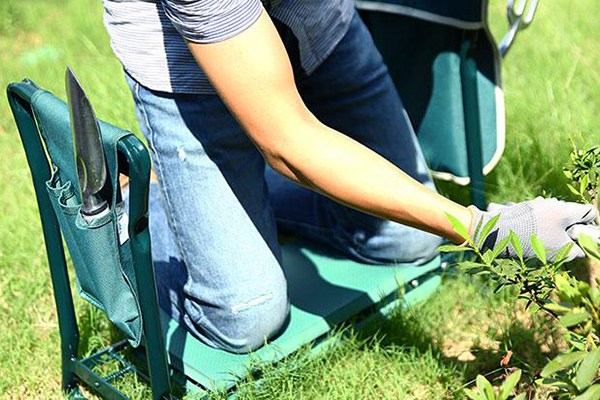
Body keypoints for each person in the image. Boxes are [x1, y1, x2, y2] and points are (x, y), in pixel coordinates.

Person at [101, 0, 597, 353]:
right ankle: (130, 202)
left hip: (314, 18)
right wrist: (481, 228)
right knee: (245, 317)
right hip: (192, 74)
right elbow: (289, 143)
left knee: (408, 240)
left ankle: (235, 194)